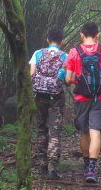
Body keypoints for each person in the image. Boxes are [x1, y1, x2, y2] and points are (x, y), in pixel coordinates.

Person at [65, 22, 101, 184]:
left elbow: (68, 79)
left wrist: (77, 82)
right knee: (96, 132)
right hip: (99, 98)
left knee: (84, 132)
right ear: (97, 35)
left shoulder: (75, 52)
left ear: (81, 34)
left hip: (81, 99)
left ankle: (86, 164)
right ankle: (92, 170)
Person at [30, 28, 67, 180]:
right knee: (55, 131)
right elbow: (65, 76)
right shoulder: (65, 56)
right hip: (57, 97)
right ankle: (53, 166)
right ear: (61, 41)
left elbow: (31, 74)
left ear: (47, 39)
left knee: (41, 128)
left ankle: (42, 163)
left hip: (40, 96)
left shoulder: (37, 53)